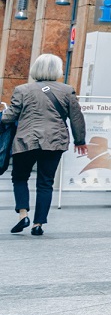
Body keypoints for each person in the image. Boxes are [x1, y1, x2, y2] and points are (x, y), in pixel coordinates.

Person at [4, 55, 85, 236]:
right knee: (45, 183)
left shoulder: (22, 89)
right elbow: (77, 118)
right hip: (55, 141)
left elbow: (9, 117)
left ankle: (23, 214)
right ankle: (38, 224)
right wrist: (80, 141)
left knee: (19, 178)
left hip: (26, 141)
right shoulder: (67, 90)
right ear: (57, 70)